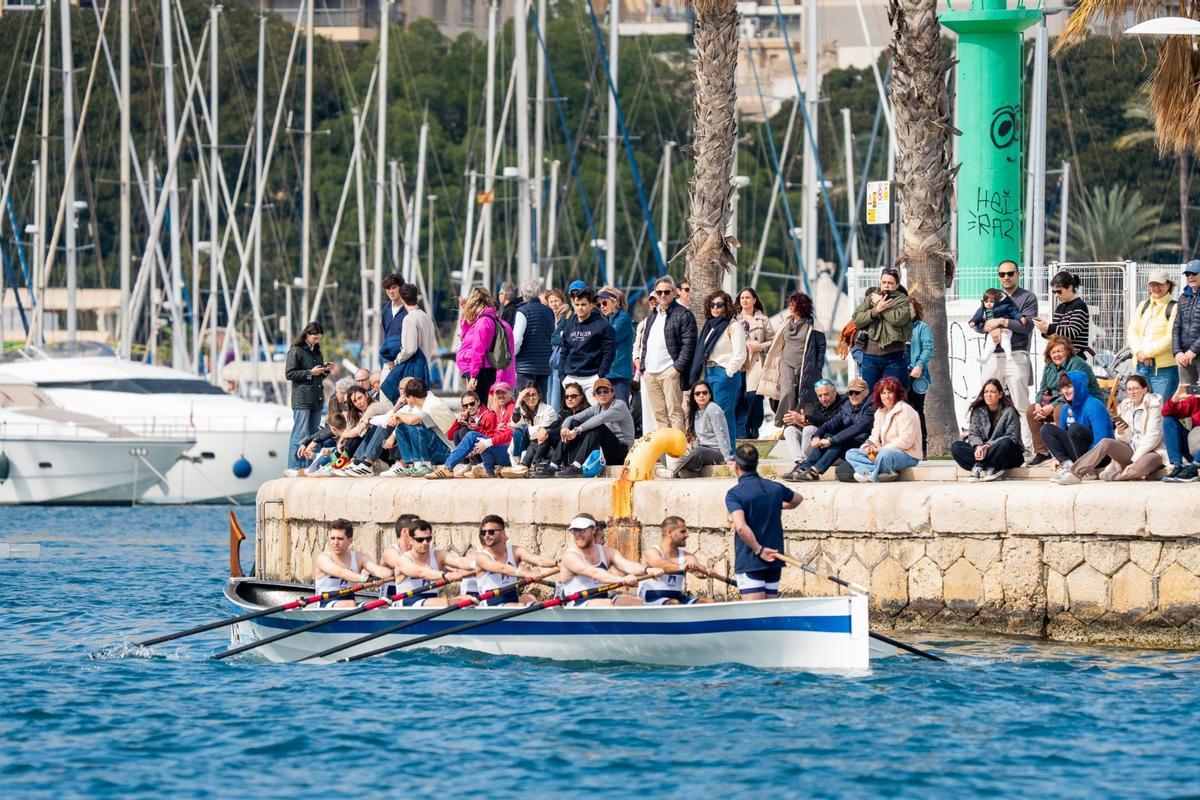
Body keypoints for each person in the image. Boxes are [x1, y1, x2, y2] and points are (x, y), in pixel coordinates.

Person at [1053, 374, 1166, 485]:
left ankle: (1118, 476)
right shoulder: (1125, 405)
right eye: (1129, 389)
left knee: (1140, 467)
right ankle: (1075, 473)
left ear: (1144, 389)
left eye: (1136, 388)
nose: (1132, 392)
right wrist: (1121, 432)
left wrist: (1136, 458)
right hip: (1131, 449)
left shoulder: (1154, 405)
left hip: (1151, 451)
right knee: (1106, 442)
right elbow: (1124, 439)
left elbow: (1154, 436)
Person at [1128, 267, 1187, 471]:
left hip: (1164, 370)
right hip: (1142, 367)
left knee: (1163, 413)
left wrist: (1148, 353)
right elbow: (1132, 331)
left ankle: (1174, 456)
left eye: (1160, 284)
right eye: (1152, 284)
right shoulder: (1143, 306)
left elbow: (1172, 337)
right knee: (1142, 412)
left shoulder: (1174, 307)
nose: (1155, 287)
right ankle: (1151, 454)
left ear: (1168, 285)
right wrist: (1139, 352)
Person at [725, 444, 801, 600]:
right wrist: (774, 505)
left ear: (736, 465)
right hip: (774, 559)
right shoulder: (775, 488)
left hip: (751, 559)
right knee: (769, 616)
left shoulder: (735, 494)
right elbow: (797, 499)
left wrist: (759, 550)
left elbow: (740, 527)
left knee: (755, 616)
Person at [982, 261, 1040, 445]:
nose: (1006, 277)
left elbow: (1027, 326)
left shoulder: (1028, 298)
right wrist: (990, 329)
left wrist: (1001, 322)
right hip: (992, 356)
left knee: (1021, 405)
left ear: (1018, 274)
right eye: (1002, 274)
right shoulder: (991, 295)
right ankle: (985, 445)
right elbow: (978, 323)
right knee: (987, 401)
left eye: (1010, 273)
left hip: (1016, 355)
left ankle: (1028, 449)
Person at [1025, 336, 1105, 466]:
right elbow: (1043, 388)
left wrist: (1050, 407)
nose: (1056, 355)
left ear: (1067, 351)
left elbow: (1074, 391)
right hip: (1060, 399)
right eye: (1053, 352)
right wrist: (1039, 404)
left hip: (1083, 401)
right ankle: (1042, 453)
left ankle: (1068, 452)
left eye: (1059, 351)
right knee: (1031, 410)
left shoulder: (1076, 363)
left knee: (1060, 410)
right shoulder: (1049, 366)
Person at [759, 292, 826, 433]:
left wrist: (817, 367)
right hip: (786, 362)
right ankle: (785, 423)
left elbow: (821, 348)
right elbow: (777, 341)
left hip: (805, 365)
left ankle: (798, 425)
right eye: (790, 303)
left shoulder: (814, 325)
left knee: (802, 396)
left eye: (793, 304)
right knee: (787, 393)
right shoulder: (786, 322)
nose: (790, 306)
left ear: (801, 306)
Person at [785, 377, 875, 481]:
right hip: (848, 444)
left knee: (838, 441)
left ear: (866, 392)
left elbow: (858, 428)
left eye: (857, 393)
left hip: (864, 446)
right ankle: (804, 467)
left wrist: (831, 440)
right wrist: (817, 436)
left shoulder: (871, 407)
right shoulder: (848, 407)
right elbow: (829, 423)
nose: (853, 396)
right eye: (851, 393)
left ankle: (815, 470)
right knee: (828, 435)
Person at [559, 516, 661, 606]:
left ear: (593, 530)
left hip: (602, 600)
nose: (578, 535)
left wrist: (647, 570)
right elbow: (595, 573)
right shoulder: (570, 556)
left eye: (582, 530)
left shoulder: (607, 552)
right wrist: (621, 579)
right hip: (577, 603)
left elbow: (627, 565)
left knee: (633, 601)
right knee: (607, 604)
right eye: (574, 531)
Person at [689, 290, 746, 452]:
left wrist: (728, 372)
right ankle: (714, 450)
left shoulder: (733, 326)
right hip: (708, 372)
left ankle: (729, 452)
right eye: (712, 304)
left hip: (724, 373)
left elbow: (740, 354)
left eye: (719, 304)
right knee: (708, 413)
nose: (715, 307)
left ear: (726, 306)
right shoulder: (709, 326)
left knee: (724, 414)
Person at [638, 276, 697, 432]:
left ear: (674, 293)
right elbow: (645, 343)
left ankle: (677, 456)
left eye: (666, 292)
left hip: (670, 371)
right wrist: (643, 367)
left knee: (675, 413)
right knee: (660, 416)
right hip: (651, 372)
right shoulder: (653, 315)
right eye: (659, 292)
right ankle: (664, 454)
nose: (662, 295)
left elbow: (689, 345)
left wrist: (676, 369)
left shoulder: (684, 314)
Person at [845, 376, 923, 483]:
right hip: (882, 452)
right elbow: (874, 436)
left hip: (906, 454)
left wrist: (882, 449)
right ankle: (880, 473)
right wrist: (869, 446)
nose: (886, 396)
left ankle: (870, 475)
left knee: (885, 455)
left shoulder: (906, 410)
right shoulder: (880, 412)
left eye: (890, 392)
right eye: (883, 393)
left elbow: (906, 441)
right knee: (851, 453)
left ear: (897, 394)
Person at [554, 378, 634, 477]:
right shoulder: (597, 407)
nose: (602, 394)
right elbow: (572, 417)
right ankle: (553, 465)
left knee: (597, 426)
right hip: (604, 451)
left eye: (605, 391)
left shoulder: (619, 405)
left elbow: (600, 419)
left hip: (622, 452)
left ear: (613, 393)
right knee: (574, 422)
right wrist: (564, 428)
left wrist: (576, 430)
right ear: (594, 396)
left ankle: (576, 466)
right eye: (598, 392)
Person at [473, 514, 561, 605]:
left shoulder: (515, 551)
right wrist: (527, 573)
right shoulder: (481, 557)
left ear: (503, 532)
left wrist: (557, 563)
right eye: (483, 533)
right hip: (491, 604)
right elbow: (502, 568)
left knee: (530, 599)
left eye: (491, 532)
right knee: (522, 605)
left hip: (512, 599)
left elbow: (538, 560)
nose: (486, 535)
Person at [427, 386, 512, 478]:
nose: (469, 407)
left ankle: (452, 467)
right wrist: (458, 422)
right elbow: (451, 437)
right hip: (494, 451)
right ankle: (467, 465)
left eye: (472, 404)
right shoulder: (500, 410)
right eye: (465, 406)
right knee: (459, 432)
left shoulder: (493, 414)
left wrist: (478, 430)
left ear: (478, 402)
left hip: (503, 451)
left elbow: (498, 436)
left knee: (469, 433)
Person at [949, 378, 1025, 481]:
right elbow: (973, 434)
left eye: (993, 392)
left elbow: (1011, 437)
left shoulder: (1009, 411)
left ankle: (980, 465)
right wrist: (978, 447)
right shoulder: (977, 411)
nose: (989, 395)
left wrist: (988, 446)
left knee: (1006, 442)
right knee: (956, 447)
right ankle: (989, 466)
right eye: (986, 392)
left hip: (1007, 452)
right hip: (984, 450)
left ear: (1000, 394)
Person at [1047, 371, 1116, 483]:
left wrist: (1086, 463)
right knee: (1047, 429)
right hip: (1080, 455)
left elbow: (1101, 439)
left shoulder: (1094, 405)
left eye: (1069, 386)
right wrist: (1057, 458)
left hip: (1101, 455)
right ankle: (1068, 466)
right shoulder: (1066, 408)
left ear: (1079, 386)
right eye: (1063, 387)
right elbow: (1062, 435)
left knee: (1075, 429)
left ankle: (1085, 469)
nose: (1066, 391)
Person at [392, 520, 478, 606]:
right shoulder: (403, 560)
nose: (425, 543)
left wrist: (477, 565)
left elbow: (460, 561)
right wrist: (446, 575)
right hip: (407, 601)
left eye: (428, 539)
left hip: (431, 601)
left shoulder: (438, 555)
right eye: (420, 540)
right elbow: (420, 572)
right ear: (410, 540)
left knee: (467, 598)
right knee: (445, 602)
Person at [852, 268, 912, 390]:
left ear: (897, 285)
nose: (886, 286)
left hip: (894, 356)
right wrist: (876, 310)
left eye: (890, 283)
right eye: (884, 282)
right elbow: (857, 320)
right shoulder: (871, 297)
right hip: (870, 356)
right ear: (880, 282)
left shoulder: (903, 300)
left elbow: (897, 319)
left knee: (895, 394)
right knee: (870, 396)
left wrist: (881, 304)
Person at [313, 519, 393, 608]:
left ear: (350, 541)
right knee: (349, 604)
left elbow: (378, 570)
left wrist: (393, 573)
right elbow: (342, 573)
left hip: (350, 603)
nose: (335, 543)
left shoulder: (359, 557)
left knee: (380, 605)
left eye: (340, 539)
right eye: (332, 538)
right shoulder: (323, 558)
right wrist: (366, 579)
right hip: (325, 603)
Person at [284, 321, 331, 471]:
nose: (317, 341)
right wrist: (310, 372)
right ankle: (294, 467)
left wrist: (324, 371)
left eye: (319, 339)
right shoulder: (296, 350)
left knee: (312, 436)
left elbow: (318, 377)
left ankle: (308, 466)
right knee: (300, 435)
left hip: (316, 399)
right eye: (315, 338)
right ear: (307, 335)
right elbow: (289, 374)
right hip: (302, 400)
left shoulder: (317, 352)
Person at [457, 286, 516, 402]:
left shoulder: (483, 321)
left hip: (480, 370)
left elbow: (478, 350)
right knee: (478, 405)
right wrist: (464, 314)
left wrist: (473, 376)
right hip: (482, 369)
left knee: (478, 406)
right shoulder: (485, 319)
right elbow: (467, 334)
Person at [639, 516, 716, 604]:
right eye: (682, 532)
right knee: (674, 603)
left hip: (677, 598)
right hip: (650, 598)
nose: (687, 535)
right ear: (669, 533)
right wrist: (683, 567)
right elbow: (661, 565)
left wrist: (706, 571)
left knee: (709, 602)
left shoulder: (687, 557)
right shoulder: (652, 552)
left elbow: (698, 572)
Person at [381, 283, 437, 401]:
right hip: (426, 364)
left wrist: (396, 360)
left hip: (413, 368)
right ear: (416, 298)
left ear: (402, 299)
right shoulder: (426, 317)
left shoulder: (409, 319)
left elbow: (409, 349)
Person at [559, 287, 615, 402]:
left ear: (591, 305)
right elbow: (564, 350)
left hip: (592, 378)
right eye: (577, 304)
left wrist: (599, 375)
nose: (580, 308)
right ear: (573, 305)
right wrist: (562, 376)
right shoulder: (569, 325)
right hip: (570, 377)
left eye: (583, 304)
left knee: (595, 416)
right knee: (572, 416)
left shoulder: (602, 326)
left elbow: (609, 353)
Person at [780, 379, 844, 476]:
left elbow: (831, 422)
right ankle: (800, 463)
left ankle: (805, 465)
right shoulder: (818, 404)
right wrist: (801, 422)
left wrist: (805, 418)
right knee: (789, 430)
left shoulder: (843, 404)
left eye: (826, 394)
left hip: (830, 449)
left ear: (834, 392)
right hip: (816, 445)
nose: (823, 399)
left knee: (809, 429)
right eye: (820, 396)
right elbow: (817, 424)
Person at [669, 380, 733, 478]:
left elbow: (721, 435)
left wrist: (727, 458)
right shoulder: (696, 412)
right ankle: (689, 472)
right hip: (702, 450)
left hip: (717, 452)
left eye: (705, 392)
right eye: (697, 393)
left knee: (698, 452)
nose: (701, 395)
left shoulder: (713, 409)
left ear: (710, 395)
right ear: (693, 397)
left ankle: (673, 474)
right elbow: (698, 438)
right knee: (669, 449)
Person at [389, 379, 455, 474]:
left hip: (448, 452)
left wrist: (397, 415)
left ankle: (425, 465)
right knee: (401, 427)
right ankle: (415, 465)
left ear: (412, 397)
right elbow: (407, 419)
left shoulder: (432, 405)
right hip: (438, 448)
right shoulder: (422, 403)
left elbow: (412, 420)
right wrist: (397, 416)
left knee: (414, 426)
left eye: (407, 396)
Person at [735, 287, 774, 438]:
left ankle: (754, 426)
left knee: (754, 397)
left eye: (748, 297)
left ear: (754, 300)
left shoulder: (763, 320)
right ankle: (742, 432)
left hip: (756, 362)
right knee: (740, 397)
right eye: (742, 298)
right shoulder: (734, 320)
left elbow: (773, 341)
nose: (745, 300)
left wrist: (760, 346)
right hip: (740, 362)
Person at [530, 382, 589, 477]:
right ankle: (531, 465)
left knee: (563, 429)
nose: (569, 399)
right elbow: (554, 426)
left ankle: (553, 465)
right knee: (541, 434)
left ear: (581, 397)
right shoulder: (565, 414)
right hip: (566, 452)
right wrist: (543, 429)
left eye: (573, 396)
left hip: (580, 453)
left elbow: (565, 429)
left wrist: (548, 432)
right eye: (567, 396)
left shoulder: (586, 412)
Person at [512, 278, 555, 398]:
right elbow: (553, 336)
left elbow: (517, 340)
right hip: (544, 365)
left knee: (525, 402)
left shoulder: (522, 311)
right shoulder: (549, 312)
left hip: (525, 366)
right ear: (538, 293)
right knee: (541, 402)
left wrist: (513, 355)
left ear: (523, 294)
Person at [1035, 270, 1090, 357]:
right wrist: (1044, 330)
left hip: (1074, 357)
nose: (1056, 295)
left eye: (1059, 291)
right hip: (1060, 356)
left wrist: (1048, 328)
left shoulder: (1079, 306)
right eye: (1054, 292)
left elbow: (1072, 333)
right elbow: (1057, 336)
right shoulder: (1060, 307)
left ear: (1070, 287)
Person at [506, 381, 558, 471]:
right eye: (527, 395)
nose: (531, 398)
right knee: (518, 431)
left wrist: (526, 428)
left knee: (524, 430)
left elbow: (542, 432)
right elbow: (514, 422)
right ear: (523, 398)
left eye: (534, 395)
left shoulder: (548, 410)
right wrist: (518, 401)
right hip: (529, 447)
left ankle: (522, 464)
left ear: (539, 396)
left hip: (546, 448)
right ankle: (518, 461)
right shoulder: (523, 410)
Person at [597, 287, 635, 404]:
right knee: (605, 410)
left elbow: (610, 338)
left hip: (618, 373)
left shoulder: (623, 318)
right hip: (606, 373)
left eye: (604, 302)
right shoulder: (604, 320)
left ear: (615, 302)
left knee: (621, 410)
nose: (602, 306)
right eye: (599, 305)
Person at [969, 288, 1025, 362]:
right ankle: (985, 358)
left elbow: (1014, 312)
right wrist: (973, 322)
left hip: (1004, 329)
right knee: (989, 344)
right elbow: (977, 316)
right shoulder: (983, 309)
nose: (988, 303)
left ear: (997, 301)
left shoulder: (1005, 306)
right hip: (992, 331)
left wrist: (1020, 317)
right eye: (986, 301)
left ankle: (1009, 355)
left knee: (1005, 341)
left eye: (991, 301)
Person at [907, 297, 934, 453]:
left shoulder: (922, 327)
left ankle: (922, 448)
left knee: (916, 410)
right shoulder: (896, 328)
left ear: (916, 310)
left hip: (916, 374)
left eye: (910, 309)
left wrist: (919, 364)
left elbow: (928, 348)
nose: (907, 312)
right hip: (899, 373)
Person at [632, 291, 660, 435]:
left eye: (656, 299)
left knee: (660, 408)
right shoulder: (643, 324)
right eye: (651, 300)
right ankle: (648, 437)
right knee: (646, 407)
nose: (653, 302)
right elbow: (636, 346)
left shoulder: (665, 320)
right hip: (644, 371)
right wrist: (636, 359)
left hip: (660, 370)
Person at [1162, 383, 1200, 482]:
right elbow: (1166, 413)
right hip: (1195, 446)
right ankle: (1178, 465)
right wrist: (1175, 399)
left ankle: (1194, 467)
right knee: (1168, 420)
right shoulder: (1196, 398)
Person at [1173, 260, 1200, 390]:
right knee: (1188, 396)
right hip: (1185, 357)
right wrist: (1177, 352)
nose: (1190, 277)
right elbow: (1176, 326)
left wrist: (1193, 351)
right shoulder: (1183, 298)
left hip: (1193, 353)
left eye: (1194, 273)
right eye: (1188, 274)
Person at [378, 513, 419, 597]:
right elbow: (403, 565)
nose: (420, 531)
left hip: (412, 599)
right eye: (416, 528)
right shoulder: (390, 552)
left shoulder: (420, 552)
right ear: (405, 532)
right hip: (389, 604)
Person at [547, 288, 572, 412]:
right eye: (551, 301)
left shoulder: (566, 315)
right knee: (549, 385)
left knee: (556, 385)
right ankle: (550, 413)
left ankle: (554, 413)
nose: (554, 304)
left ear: (562, 301)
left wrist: (556, 338)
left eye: (556, 301)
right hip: (550, 355)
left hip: (559, 355)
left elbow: (559, 338)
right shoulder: (551, 316)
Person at [379, 273, 407, 368]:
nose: (390, 292)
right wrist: (387, 359)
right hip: (388, 362)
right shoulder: (385, 310)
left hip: (404, 360)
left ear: (401, 288)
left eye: (394, 288)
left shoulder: (408, 310)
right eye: (388, 289)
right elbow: (386, 336)